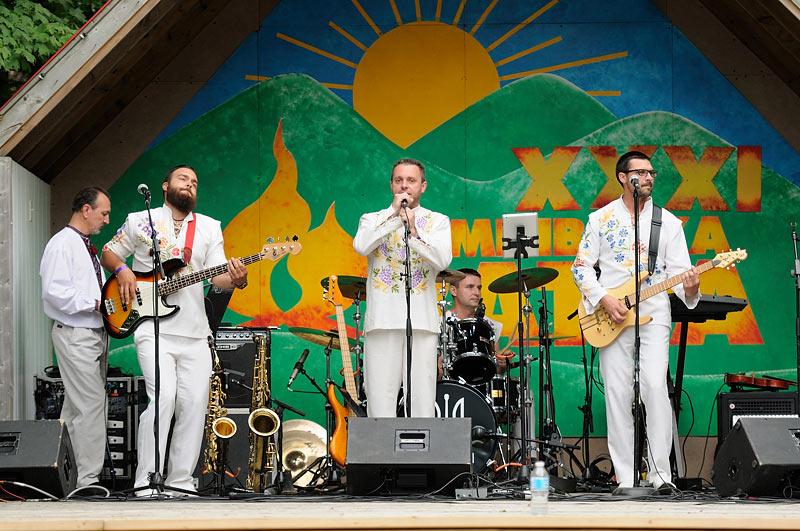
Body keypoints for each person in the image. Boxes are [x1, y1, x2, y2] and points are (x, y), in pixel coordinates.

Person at [101, 165, 248, 495]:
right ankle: (146, 481)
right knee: (163, 399)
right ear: (165, 186)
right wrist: (123, 270)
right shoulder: (141, 220)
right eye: (184, 179)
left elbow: (218, 276)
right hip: (153, 328)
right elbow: (109, 252)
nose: (190, 184)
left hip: (195, 332)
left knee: (193, 406)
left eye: (195, 182)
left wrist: (237, 279)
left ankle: (180, 482)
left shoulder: (209, 227)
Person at [571, 151, 699, 492]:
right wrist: (604, 299)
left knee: (655, 388)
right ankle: (625, 478)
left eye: (651, 172)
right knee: (617, 393)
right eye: (640, 172)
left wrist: (691, 286)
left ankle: (660, 476)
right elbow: (580, 268)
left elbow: (680, 276)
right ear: (622, 177)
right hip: (611, 315)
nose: (648, 177)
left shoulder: (668, 223)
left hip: (654, 314)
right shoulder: (600, 218)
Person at [353, 158, 452, 417]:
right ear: (391, 185)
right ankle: (380, 446)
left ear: (423, 186)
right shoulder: (372, 219)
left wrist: (414, 231)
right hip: (381, 320)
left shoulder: (438, 221)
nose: (404, 186)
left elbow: (443, 260)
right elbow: (362, 246)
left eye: (411, 180)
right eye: (399, 180)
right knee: (379, 401)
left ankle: (421, 446)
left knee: (421, 402)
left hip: (422, 322)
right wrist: (394, 218)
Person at [40, 187, 112, 488]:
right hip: (76, 333)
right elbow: (54, 291)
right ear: (85, 209)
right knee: (92, 404)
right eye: (103, 213)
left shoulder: (83, 245)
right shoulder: (62, 244)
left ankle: (63, 477)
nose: (106, 220)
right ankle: (87, 481)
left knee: (76, 409)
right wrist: (96, 304)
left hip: (89, 333)